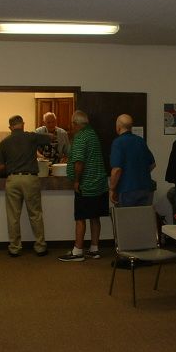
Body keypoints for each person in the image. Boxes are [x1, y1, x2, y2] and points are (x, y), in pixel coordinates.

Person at [0, 115, 53, 257]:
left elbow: (1, 167)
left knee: (13, 216)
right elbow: (50, 137)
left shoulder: (4, 142)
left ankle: (14, 248)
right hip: (30, 179)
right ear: (23, 124)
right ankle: (40, 247)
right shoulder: (31, 137)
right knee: (35, 214)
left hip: (13, 180)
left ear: (10, 127)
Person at [59, 110, 109, 262]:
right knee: (95, 217)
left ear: (75, 124)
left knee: (80, 218)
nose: (71, 126)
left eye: (72, 124)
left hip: (86, 185)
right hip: (100, 183)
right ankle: (94, 249)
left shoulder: (80, 137)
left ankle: (78, 251)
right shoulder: (92, 134)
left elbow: (79, 162)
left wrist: (76, 181)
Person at [109, 114, 156, 206]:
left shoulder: (118, 143)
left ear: (118, 127)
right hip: (145, 188)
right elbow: (152, 164)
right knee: (142, 215)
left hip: (126, 190)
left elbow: (117, 170)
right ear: (131, 127)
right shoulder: (140, 141)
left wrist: (112, 189)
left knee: (127, 215)